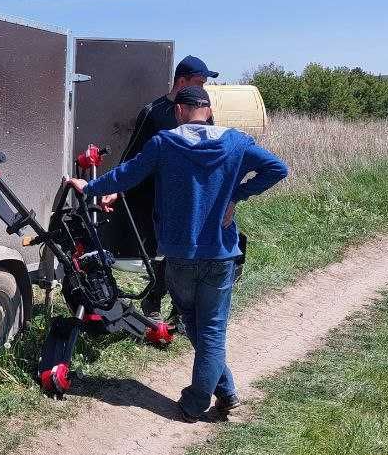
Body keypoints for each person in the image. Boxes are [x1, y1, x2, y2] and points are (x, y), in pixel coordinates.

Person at [69, 85, 288, 422]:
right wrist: (236, 196)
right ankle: (226, 392)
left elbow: (126, 176)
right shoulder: (236, 143)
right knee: (210, 328)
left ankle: (197, 401)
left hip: (180, 254)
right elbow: (277, 169)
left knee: (196, 324)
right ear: (209, 111)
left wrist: (91, 187)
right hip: (220, 254)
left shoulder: (165, 143)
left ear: (179, 112)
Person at [114, 55, 220, 319]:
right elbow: (133, 155)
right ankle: (152, 306)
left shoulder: (202, 112)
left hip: (190, 196)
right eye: (199, 81)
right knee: (160, 255)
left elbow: (211, 152)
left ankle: (181, 312)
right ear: (181, 81)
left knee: (188, 254)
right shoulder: (153, 112)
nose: (203, 88)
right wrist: (116, 188)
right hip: (155, 198)